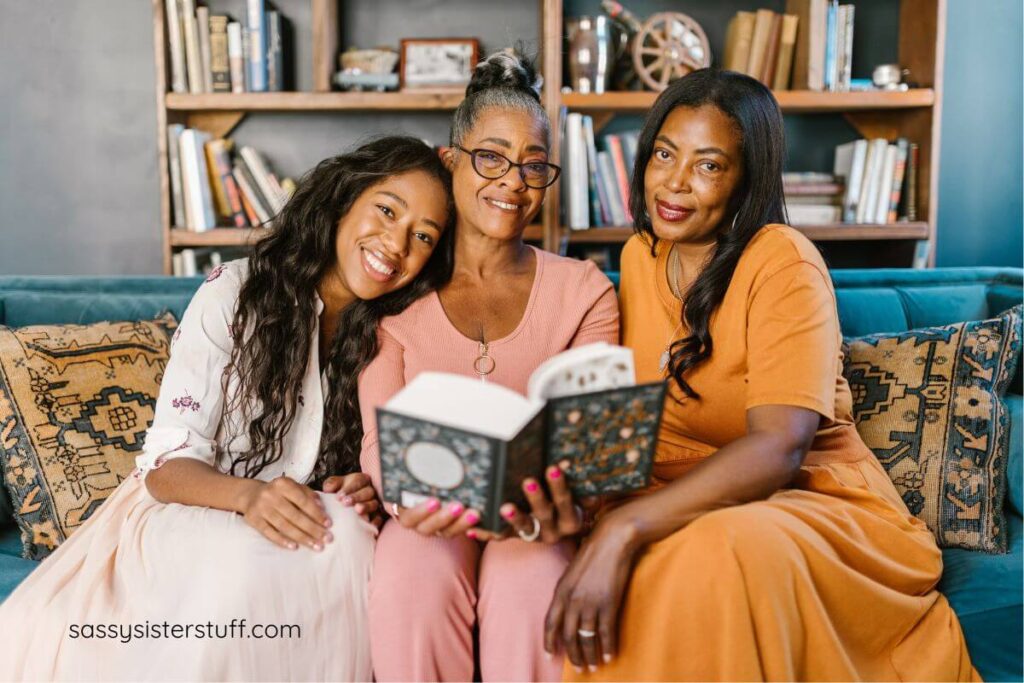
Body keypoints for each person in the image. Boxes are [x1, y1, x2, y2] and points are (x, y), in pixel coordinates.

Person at [544, 69, 978, 681]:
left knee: (718, 548)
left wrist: (625, 526)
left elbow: (781, 447)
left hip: (804, 500)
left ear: (747, 177)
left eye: (709, 165)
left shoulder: (783, 262)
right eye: (665, 154)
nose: (674, 181)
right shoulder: (641, 255)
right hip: (675, 495)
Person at [0, 136, 455, 681]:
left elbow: (386, 461)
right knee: (251, 559)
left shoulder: (400, 334)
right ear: (343, 198)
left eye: (422, 236)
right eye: (386, 209)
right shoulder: (234, 294)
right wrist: (251, 497)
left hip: (305, 517)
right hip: (190, 511)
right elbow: (166, 467)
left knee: (353, 537)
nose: (396, 243)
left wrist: (365, 486)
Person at [359, 50, 619, 682]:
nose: (514, 181)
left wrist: (573, 505)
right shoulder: (396, 284)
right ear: (451, 161)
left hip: (540, 517)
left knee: (528, 570)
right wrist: (402, 493)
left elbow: (591, 446)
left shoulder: (585, 291)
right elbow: (378, 438)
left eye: (534, 164)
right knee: (413, 569)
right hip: (426, 510)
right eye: (492, 157)